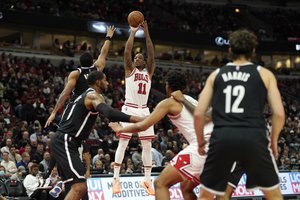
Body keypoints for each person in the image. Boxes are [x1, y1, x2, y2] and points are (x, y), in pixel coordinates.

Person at [194, 29, 285, 200]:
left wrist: (200, 142)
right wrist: (273, 141)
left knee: (206, 195)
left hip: (222, 137)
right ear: (253, 51)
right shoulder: (265, 74)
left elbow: (199, 114)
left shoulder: (216, 75)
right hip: (254, 136)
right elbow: (279, 114)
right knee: (273, 195)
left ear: (230, 51)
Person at [109, 70, 213, 200]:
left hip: (203, 146)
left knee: (160, 183)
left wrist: (120, 129)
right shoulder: (190, 100)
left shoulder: (168, 103)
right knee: (186, 188)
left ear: (167, 86)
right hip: (219, 146)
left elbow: (143, 125)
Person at [50, 70, 142, 200]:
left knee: (74, 188)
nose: (108, 83)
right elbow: (108, 112)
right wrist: (138, 119)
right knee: (80, 187)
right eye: (105, 80)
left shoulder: (85, 96)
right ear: (98, 82)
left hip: (66, 140)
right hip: (66, 140)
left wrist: (119, 125)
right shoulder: (92, 96)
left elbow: (108, 116)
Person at [112, 20, 156, 195]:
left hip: (144, 110)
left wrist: (146, 33)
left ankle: (147, 180)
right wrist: (132, 32)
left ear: (144, 62)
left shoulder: (148, 71)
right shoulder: (130, 70)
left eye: (140, 57)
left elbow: (152, 53)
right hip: (129, 108)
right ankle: (116, 179)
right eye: (136, 57)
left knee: (147, 146)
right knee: (123, 143)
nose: (137, 58)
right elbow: (127, 51)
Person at [45, 26, 116, 128]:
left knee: (66, 131)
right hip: (91, 107)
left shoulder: (76, 73)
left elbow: (65, 94)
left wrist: (54, 112)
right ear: (92, 61)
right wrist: (108, 37)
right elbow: (103, 53)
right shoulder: (97, 68)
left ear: (80, 63)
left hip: (78, 106)